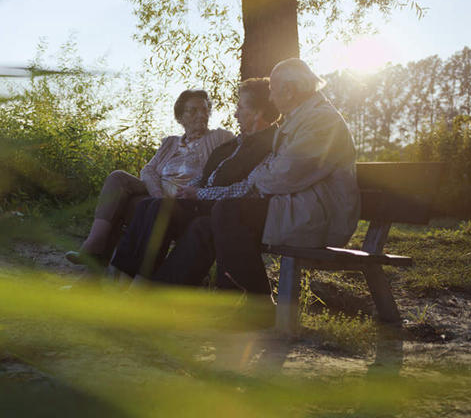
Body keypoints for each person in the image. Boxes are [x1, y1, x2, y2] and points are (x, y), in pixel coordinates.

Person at [152, 59, 359, 323]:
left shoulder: (321, 120)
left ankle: (258, 308)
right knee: (207, 224)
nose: (271, 97)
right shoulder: (300, 120)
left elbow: (280, 176)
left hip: (318, 216)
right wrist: (257, 177)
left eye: (273, 89)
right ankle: (159, 297)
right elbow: (271, 174)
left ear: (290, 90)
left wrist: (250, 180)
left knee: (228, 213)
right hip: (293, 206)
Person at [109, 78, 279, 279]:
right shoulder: (235, 143)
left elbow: (247, 188)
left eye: (240, 107)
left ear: (258, 113)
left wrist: (199, 193)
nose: (235, 113)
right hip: (198, 203)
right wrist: (187, 189)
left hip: (216, 208)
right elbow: (203, 175)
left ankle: (138, 282)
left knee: (160, 209)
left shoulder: (267, 146)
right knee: (151, 205)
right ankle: (118, 276)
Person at [65, 89, 233, 267]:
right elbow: (148, 171)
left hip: (185, 199)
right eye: (193, 110)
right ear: (180, 117)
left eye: (205, 110)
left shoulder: (219, 137)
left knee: (127, 205)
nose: (201, 115)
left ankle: (96, 268)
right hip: (158, 193)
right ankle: (94, 243)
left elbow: (221, 169)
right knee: (117, 178)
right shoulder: (170, 142)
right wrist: (158, 194)